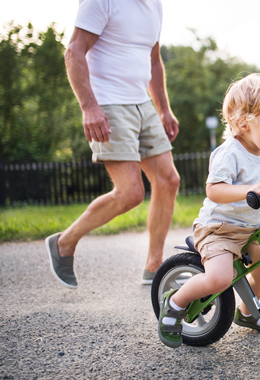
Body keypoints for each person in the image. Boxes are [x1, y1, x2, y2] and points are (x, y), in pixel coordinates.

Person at [157, 74, 260, 348]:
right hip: (218, 230)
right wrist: (247, 190)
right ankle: (175, 303)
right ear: (243, 124)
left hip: (248, 230)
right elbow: (214, 190)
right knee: (219, 278)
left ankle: (247, 314)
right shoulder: (230, 153)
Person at [45, 0, 180, 289]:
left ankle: (154, 266)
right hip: (109, 103)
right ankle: (63, 242)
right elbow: (74, 51)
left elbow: (154, 61)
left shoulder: (154, 5)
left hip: (143, 103)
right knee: (130, 192)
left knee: (168, 180)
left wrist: (163, 108)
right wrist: (89, 108)